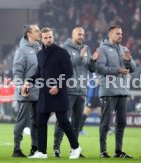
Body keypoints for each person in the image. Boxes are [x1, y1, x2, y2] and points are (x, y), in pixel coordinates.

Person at [24, 27, 81, 159]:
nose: (49, 39)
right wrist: (29, 81)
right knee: (41, 122)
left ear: (53, 37)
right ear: (41, 39)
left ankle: (76, 147)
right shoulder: (40, 54)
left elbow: (69, 73)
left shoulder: (62, 53)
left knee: (63, 122)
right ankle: (42, 152)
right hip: (44, 93)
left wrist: (58, 86)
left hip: (58, 93)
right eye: (46, 38)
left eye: (50, 37)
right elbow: (39, 73)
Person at [53, 27, 99, 158]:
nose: (82, 37)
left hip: (81, 91)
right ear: (72, 34)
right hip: (68, 90)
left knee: (76, 123)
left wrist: (93, 61)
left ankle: (75, 149)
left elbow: (91, 69)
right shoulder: (64, 49)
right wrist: (79, 56)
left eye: (83, 34)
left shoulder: (86, 49)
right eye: (79, 34)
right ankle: (56, 148)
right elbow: (65, 66)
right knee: (62, 121)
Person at [97, 25, 135, 158]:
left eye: (121, 33)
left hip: (123, 91)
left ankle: (118, 151)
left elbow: (133, 68)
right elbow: (100, 68)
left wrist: (129, 61)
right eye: (117, 34)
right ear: (110, 35)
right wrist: (117, 70)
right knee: (106, 123)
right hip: (108, 91)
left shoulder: (124, 49)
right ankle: (103, 151)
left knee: (122, 123)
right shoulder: (102, 49)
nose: (120, 36)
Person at [12, 24, 40, 157]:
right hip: (26, 91)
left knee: (37, 121)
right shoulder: (22, 50)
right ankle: (16, 149)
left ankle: (35, 148)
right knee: (22, 121)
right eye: (36, 31)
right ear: (29, 34)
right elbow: (17, 72)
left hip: (39, 92)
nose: (39, 33)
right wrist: (21, 87)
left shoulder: (40, 49)